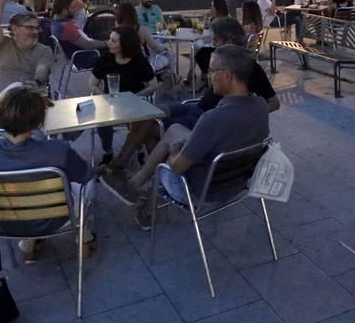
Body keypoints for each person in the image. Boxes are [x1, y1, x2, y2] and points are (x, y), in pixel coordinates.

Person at [118, 17, 281, 201]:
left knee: (162, 131)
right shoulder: (254, 102)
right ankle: (124, 167)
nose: (208, 77)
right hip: (200, 112)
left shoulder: (247, 71)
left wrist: (235, 120)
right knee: (149, 112)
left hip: (199, 170)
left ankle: (148, 187)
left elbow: (274, 103)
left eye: (212, 72)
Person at [133, 45, 270, 230]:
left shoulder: (212, 119)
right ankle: (137, 184)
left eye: (212, 70)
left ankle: (144, 202)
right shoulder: (261, 106)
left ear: (227, 75)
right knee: (175, 130)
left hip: (200, 192)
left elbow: (177, 167)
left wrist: (175, 147)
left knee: (167, 152)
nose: (207, 74)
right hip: (238, 184)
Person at [0, 84, 94, 261]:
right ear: (39, 120)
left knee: (17, 192)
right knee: (87, 185)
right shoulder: (58, 150)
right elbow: (84, 175)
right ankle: (83, 238)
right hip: (56, 218)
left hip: (5, 221)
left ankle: (28, 245)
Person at [91, 26, 157, 167]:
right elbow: (92, 84)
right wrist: (104, 97)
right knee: (102, 122)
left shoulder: (139, 60)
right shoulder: (105, 59)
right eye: (110, 39)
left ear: (125, 45)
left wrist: (136, 96)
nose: (108, 43)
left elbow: (153, 85)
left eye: (113, 41)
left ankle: (138, 148)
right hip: (110, 102)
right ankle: (108, 151)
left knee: (141, 120)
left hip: (135, 101)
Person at [0, 0, 53, 97]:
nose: (34, 32)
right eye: (29, 28)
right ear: (14, 29)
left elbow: (42, 69)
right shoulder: (1, 46)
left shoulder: (43, 50)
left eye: (36, 28)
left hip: (31, 102)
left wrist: (36, 82)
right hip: (3, 106)